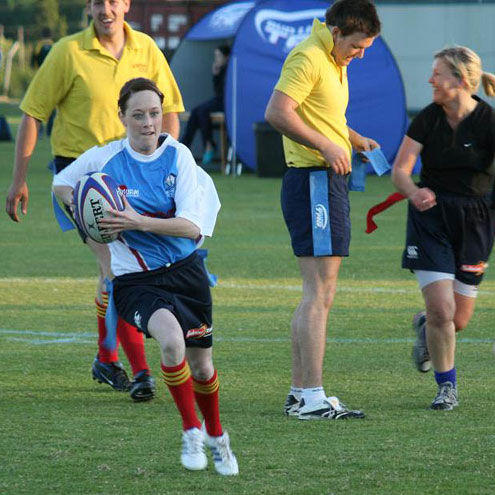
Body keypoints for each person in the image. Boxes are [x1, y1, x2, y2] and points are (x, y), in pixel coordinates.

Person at [52, 77, 238, 475]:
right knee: (170, 343)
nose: (148, 123)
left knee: (203, 367)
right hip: (137, 281)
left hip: (187, 275)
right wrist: (93, 223)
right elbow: (62, 184)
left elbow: (191, 227)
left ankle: (217, 435)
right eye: (138, 115)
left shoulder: (179, 157)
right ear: (122, 117)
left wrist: (137, 221)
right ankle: (190, 430)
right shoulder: (104, 159)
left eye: (154, 113)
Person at [5, 0, 185, 401]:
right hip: (81, 181)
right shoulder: (67, 52)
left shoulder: (147, 50)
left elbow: (170, 110)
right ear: (88, 7)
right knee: (117, 268)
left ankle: (106, 356)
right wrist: (19, 179)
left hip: (135, 177)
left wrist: (171, 167)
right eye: (96, 1)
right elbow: (33, 113)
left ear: (126, 5)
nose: (105, 8)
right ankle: (141, 372)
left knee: (123, 268)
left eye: (113, 1)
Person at [265, 0, 381, 420]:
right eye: (357, 46)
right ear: (336, 32)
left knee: (319, 293)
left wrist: (350, 137)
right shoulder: (309, 56)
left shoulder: (333, 60)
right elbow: (278, 112)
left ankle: (301, 394)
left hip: (323, 181)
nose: (360, 54)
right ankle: (311, 396)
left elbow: (320, 112)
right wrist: (326, 145)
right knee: (319, 293)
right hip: (313, 182)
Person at [391, 46, 495, 410]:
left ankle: (424, 326)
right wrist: (415, 192)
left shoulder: (488, 121)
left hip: (477, 221)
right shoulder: (427, 118)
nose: (430, 80)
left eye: (438, 74)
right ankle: (446, 387)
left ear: (461, 80)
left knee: (458, 319)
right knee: (441, 311)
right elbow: (400, 170)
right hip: (431, 219)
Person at [180, 45, 230, 165]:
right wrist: (216, 75)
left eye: (219, 56)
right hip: (219, 100)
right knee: (195, 111)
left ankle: (204, 145)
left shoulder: (231, 70)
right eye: (215, 56)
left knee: (201, 111)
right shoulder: (221, 70)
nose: (216, 59)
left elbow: (224, 94)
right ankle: (185, 147)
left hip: (227, 103)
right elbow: (217, 92)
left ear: (226, 57)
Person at [31, 27, 55, 136]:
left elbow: (33, 62)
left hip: (40, 79)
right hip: (53, 79)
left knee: (38, 106)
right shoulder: (55, 45)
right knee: (52, 107)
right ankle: (50, 131)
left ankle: (38, 130)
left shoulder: (38, 45)